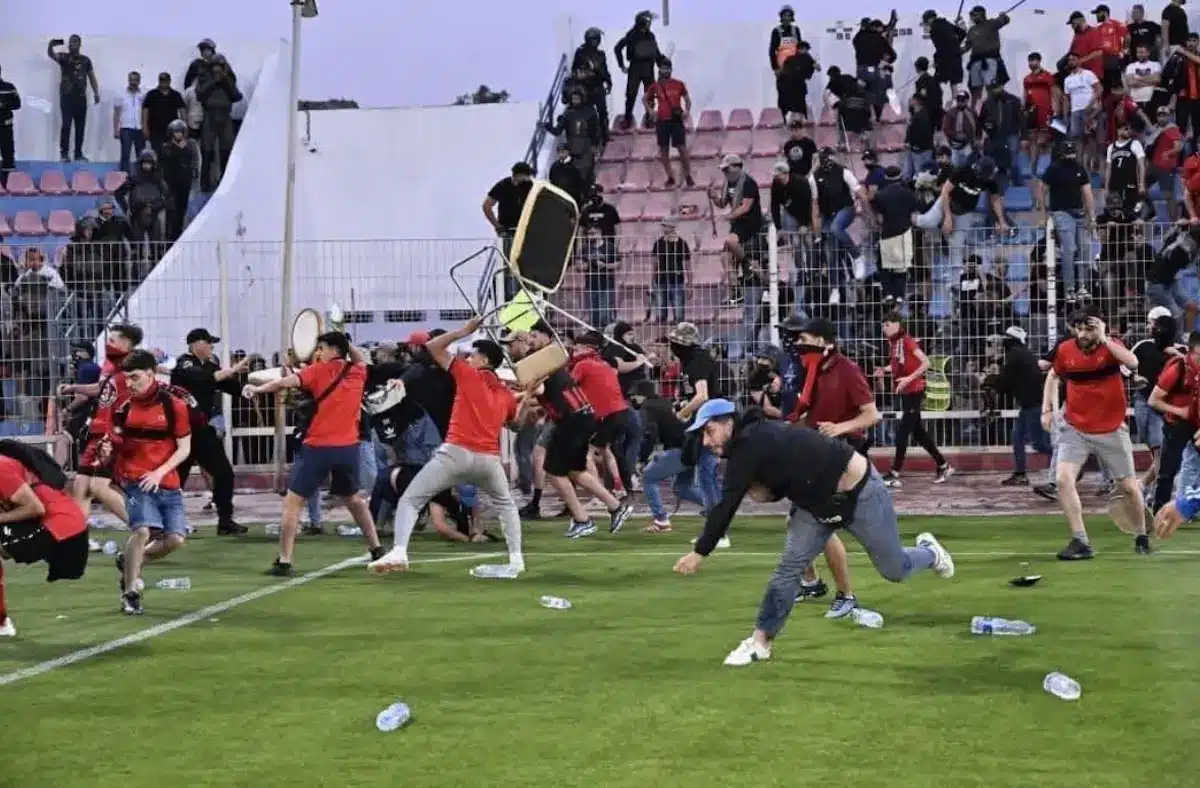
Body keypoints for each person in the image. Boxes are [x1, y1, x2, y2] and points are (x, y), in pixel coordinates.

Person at [671, 399, 954, 666]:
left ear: (729, 423)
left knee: (895, 569)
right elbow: (780, 481)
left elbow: (726, 505)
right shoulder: (749, 443)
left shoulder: (750, 443)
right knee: (788, 569)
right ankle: (760, 643)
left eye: (709, 431)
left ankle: (929, 553)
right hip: (814, 505)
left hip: (860, 493)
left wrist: (699, 552)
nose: (706, 442)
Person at [368, 318, 527, 578]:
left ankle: (399, 551)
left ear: (484, 360)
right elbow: (516, 424)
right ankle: (516, 559)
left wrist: (464, 330)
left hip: (456, 452)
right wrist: (527, 398)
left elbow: (432, 347)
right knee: (506, 505)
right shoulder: (505, 393)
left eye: (473, 355)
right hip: (489, 459)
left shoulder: (468, 374)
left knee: (411, 499)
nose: (469, 358)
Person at [243, 331, 384, 576]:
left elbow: (282, 383)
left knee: (293, 501)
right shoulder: (358, 371)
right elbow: (360, 358)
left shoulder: (317, 371)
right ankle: (377, 548)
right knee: (353, 499)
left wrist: (256, 390)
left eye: (322, 347)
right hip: (348, 448)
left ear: (333, 350)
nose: (319, 352)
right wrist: (345, 342)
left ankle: (284, 560)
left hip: (318, 447)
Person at [506, 324, 633, 538]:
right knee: (574, 470)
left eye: (511, 345)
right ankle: (615, 506)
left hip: (571, 421)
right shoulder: (547, 362)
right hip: (582, 417)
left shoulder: (535, 365)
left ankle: (582, 519)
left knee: (553, 471)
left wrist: (520, 400)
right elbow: (545, 392)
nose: (509, 350)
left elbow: (537, 390)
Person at [1042, 309, 1150, 560]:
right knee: (1063, 480)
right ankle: (1080, 540)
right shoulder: (1065, 350)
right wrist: (1047, 409)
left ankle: (1141, 535)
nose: (1083, 334)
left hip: (1111, 429)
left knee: (1129, 488)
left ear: (1101, 327)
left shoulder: (1112, 347)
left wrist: (1104, 338)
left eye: (1089, 328)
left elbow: (1132, 363)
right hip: (1075, 428)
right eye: (1079, 328)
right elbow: (1053, 376)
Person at [108, 350, 193, 615]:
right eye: (127, 378)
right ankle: (130, 593)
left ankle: (130, 562)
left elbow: (184, 448)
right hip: (134, 479)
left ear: (150, 373)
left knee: (175, 539)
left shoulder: (174, 405)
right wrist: (108, 450)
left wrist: (159, 473)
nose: (129, 383)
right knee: (142, 530)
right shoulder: (122, 406)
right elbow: (115, 442)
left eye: (134, 377)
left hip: (166, 480)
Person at [0, 440, 89, 637]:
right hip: (58, 523)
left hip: (62, 527)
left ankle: (1, 622)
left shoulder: (1, 468)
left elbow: (35, 508)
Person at [57, 324, 142, 526]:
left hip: (114, 433)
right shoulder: (109, 364)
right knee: (81, 486)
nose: (108, 344)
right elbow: (100, 388)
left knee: (100, 487)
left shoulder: (134, 366)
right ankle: (77, 535)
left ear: (126, 343)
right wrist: (73, 387)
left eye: (112, 340)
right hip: (98, 429)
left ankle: (144, 526)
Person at [170, 327, 249, 535]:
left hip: (202, 431)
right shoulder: (184, 364)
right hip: (182, 432)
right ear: (196, 344)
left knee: (224, 473)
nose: (212, 347)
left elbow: (228, 384)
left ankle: (225, 521)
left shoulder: (210, 364)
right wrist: (231, 370)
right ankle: (166, 524)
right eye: (208, 343)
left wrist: (249, 390)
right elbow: (205, 378)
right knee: (175, 480)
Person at [880, 313, 953, 488]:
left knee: (902, 433)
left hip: (914, 392)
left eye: (887, 324)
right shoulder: (895, 343)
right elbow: (898, 364)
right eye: (883, 325)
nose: (884, 328)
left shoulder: (906, 341)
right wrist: (885, 369)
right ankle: (943, 465)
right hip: (907, 393)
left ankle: (894, 473)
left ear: (897, 325)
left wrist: (908, 379)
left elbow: (926, 362)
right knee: (918, 433)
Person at [983, 326, 1053, 486]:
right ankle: (1020, 473)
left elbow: (1006, 380)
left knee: (1040, 444)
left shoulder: (1015, 355)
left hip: (1033, 404)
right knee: (1018, 438)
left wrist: (988, 380)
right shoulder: (1023, 353)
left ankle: (1068, 463)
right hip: (1030, 403)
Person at [709, 154, 765, 306]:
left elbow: (746, 207)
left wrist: (729, 216)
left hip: (750, 222)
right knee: (725, 258)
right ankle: (736, 291)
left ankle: (747, 265)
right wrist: (714, 198)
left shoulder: (749, 183)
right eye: (723, 170)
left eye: (727, 169)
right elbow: (722, 203)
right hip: (737, 223)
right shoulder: (728, 184)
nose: (725, 172)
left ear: (737, 167)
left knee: (730, 241)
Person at [46, 34, 100, 162]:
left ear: (80, 44)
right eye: (70, 42)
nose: (72, 44)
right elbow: (51, 55)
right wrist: (51, 45)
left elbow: (91, 77)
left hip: (81, 98)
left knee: (80, 127)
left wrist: (96, 92)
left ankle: (78, 154)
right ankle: (64, 154)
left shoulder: (86, 60)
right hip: (67, 97)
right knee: (66, 125)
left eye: (75, 42)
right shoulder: (64, 57)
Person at [614, 10, 667, 130]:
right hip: (636, 68)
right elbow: (617, 48)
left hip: (648, 68)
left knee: (650, 94)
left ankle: (649, 118)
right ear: (642, 22)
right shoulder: (632, 35)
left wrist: (663, 63)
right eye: (648, 21)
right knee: (631, 94)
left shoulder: (650, 36)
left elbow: (655, 52)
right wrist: (621, 65)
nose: (650, 24)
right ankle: (627, 119)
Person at [644, 59, 693, 188]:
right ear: (660, 70)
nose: (665, 71)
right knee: (664, 150)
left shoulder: (679, 84)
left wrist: (687, 111)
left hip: (676, 120)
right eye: (663, 68)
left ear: (671, 69)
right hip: (662, 121)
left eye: (667, 68)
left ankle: (688, 175)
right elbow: (645, 99)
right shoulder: (656, 86)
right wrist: (651, 111)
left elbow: (687, 100)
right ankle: (670, 176)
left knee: (682, 148)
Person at [921, 9, 966, 93]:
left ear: (930, 19)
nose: (926, 24)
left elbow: (940, 48)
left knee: (936, 82)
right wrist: (956, 45)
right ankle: (955, 99)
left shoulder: (934, 30)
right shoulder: (947, 23)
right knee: (954, 83)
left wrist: (936, 60)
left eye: (926, 21)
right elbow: (963, 33)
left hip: (946, 59)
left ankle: (935, 99)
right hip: (956, 57)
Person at [112, 70, 145, 173]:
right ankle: (124, 177)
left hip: (140, 128)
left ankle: (141, 177)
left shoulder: (144, 95)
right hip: (126, 128)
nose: (133, 82)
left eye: (135, 80)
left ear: (139, 81)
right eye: (131, 80)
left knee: (141, 155)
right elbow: (116, 113)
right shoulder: (120, 94)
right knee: (125, 155)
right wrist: (115, 130)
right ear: (128, 80)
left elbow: (146, 112)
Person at [0, 65, 20, 174]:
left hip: (5, 126)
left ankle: (8, 178)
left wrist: (4, 105)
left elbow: (17, 104)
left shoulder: (9, 87)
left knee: (8, 154)